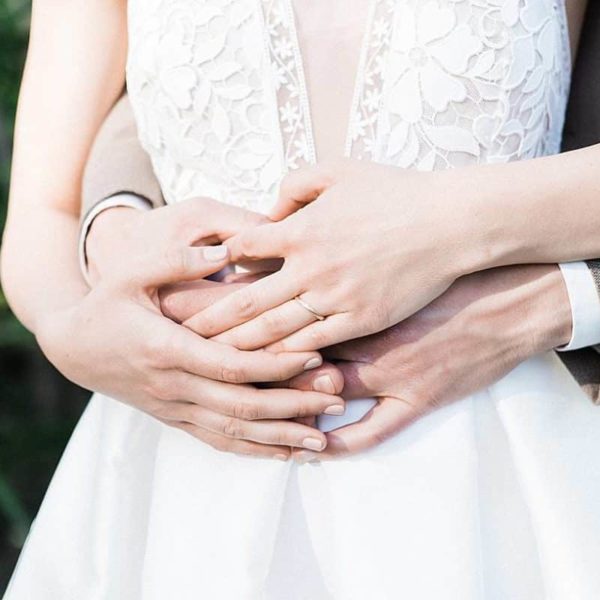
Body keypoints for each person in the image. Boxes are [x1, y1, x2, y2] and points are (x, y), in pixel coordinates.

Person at [2, 1, 600, 597]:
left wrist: (445, 225)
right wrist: (74, 334)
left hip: (504, 453)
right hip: (184, 464)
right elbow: (42, 210)